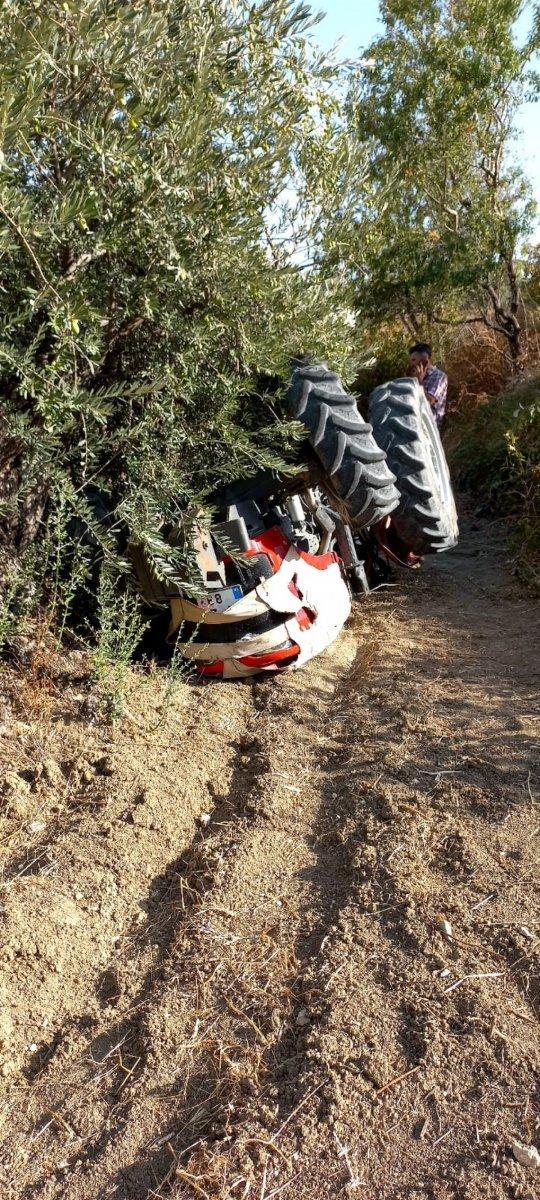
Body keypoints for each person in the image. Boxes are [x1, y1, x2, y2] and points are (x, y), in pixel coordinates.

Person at [407, 342, 448, 429]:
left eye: (414, 360)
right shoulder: (414, 374)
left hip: (429, 428)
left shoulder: (439, 376)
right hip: (414, 420)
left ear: (425, 361)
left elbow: (429, 401)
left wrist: (419, 381)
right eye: (411, 360)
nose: (411, 364)